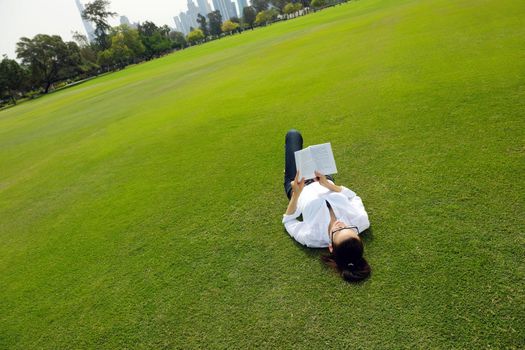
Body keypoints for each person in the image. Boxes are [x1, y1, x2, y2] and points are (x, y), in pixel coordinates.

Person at [282, 129, 371, 282]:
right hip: (323, 178)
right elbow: (353, 197)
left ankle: (288, 171)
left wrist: (296, 193)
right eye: (349, 229)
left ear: (330, 246)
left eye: (337, 230)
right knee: (315, 151)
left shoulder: (311, 238)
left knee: (293, 135)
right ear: (357, 236)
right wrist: (328, 185)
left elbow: (288, 221)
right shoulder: (361, 221)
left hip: (297, 185)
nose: (341, 224)